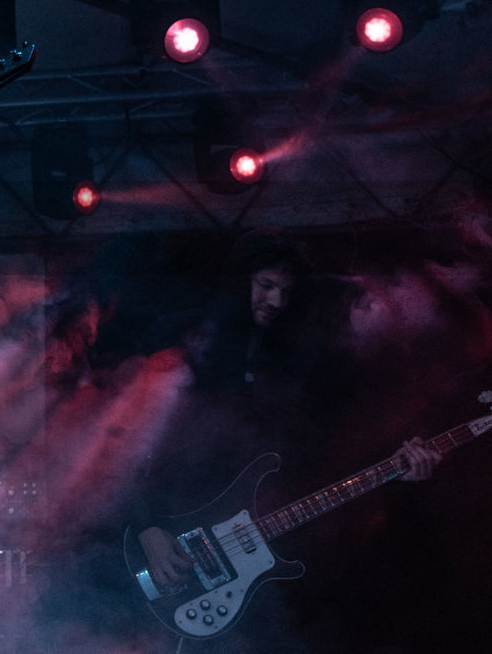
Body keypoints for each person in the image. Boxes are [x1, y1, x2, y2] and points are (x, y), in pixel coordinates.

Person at [132, 228, 442, 652]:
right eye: (265, 285)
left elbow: (333, 451)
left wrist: (395, 468)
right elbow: (135, 448)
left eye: (285, 291)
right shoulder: (192, 341)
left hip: (266, 574)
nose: (275, 301)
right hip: (179, 536)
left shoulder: (302, 360)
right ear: (242, 280)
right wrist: (147, 526)